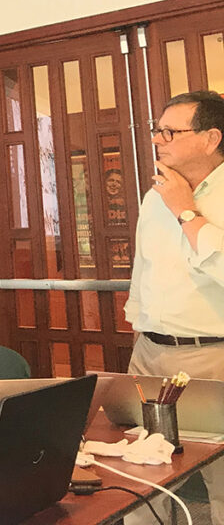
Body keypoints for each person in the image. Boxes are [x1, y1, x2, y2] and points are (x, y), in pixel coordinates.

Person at [124, 90, 224, 525]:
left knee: (219, 476)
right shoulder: (155, 196)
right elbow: (143, 270)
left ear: (211, 137)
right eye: (156, 130)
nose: (159, 140)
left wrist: (186, 210)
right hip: (149, 354)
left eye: (170, 131)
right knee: (140, 477)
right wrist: (138, 327)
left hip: (212, 356)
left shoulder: (187, 198)